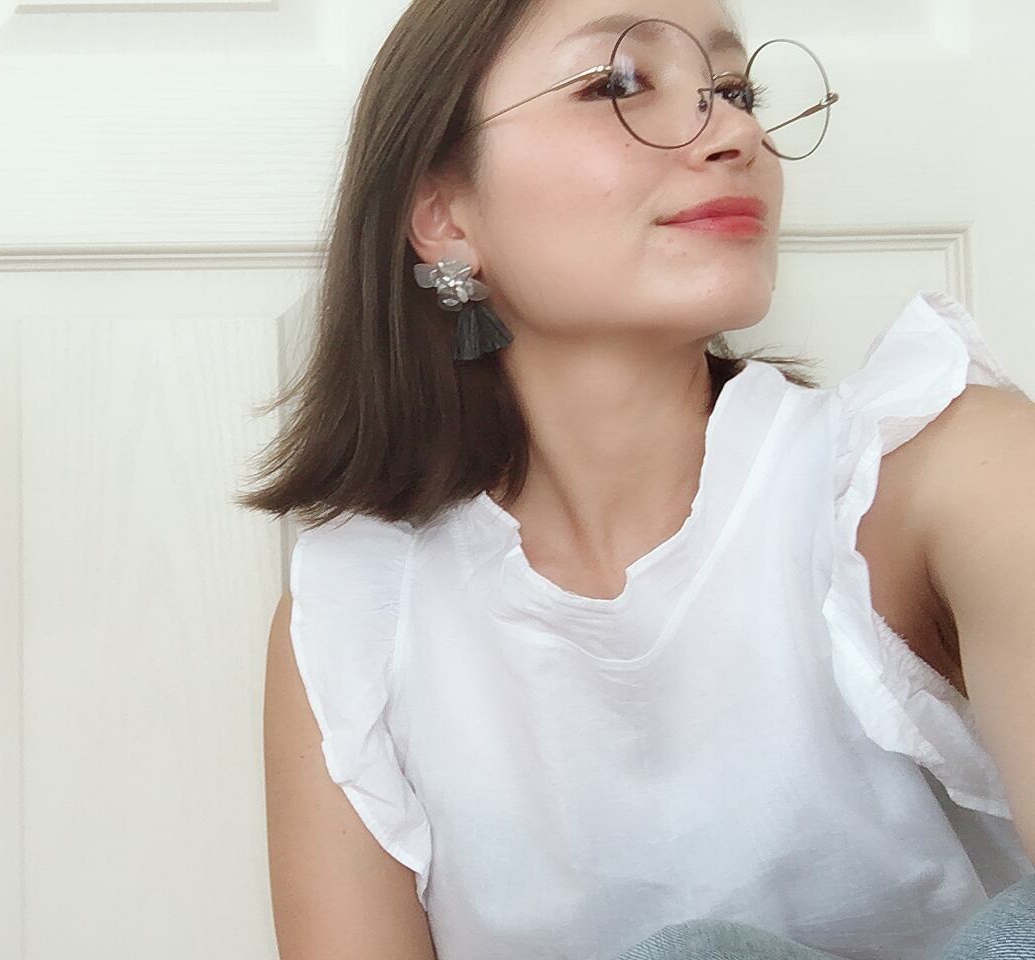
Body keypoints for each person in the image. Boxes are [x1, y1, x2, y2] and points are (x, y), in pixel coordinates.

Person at [241, 0, 1035, 957]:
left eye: (735, 90)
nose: (735, 132)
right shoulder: (356, 620)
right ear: (443, 216)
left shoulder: (947, 475)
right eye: (617, 84)